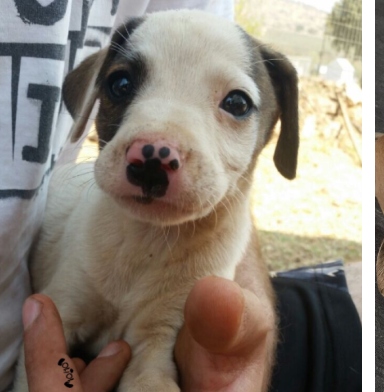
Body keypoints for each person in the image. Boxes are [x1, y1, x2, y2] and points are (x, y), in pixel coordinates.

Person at [0, 1, 361, 391]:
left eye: (235, 103)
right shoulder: (91, 229)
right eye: (122, 86)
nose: (158, 149)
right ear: (91, 97)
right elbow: (49, 342)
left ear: (276, 125)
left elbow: (152, 362)